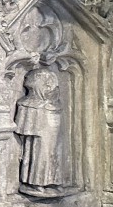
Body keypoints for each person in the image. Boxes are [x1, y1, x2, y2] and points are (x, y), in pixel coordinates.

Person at [14, 69, 71, 197]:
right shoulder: (27, 103)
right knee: (38, 156)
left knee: (55, 155)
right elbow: (23, 128)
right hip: (38, 139)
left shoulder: (55, 104)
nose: (50, 87)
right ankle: (35, 183)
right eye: (47, 83)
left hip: (53, 137)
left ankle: (54, 181)